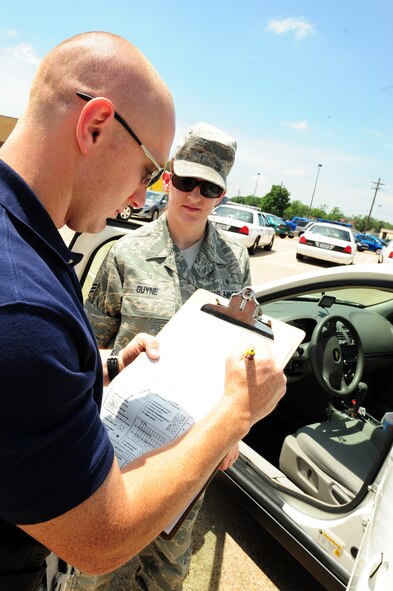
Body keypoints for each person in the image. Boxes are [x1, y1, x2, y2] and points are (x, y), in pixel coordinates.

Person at [0, 31, 286, 591]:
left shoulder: (30, 245)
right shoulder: (26, 306)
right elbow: (99, 539)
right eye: (152, 171)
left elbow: (35, 383)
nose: (141, 197)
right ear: (95, 125)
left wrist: (103, 367)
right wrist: (234, 416)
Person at [71, 122, 251, 591]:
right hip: (122, 433)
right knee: (95, 563)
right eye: (186, 181)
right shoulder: (125, 252)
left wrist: (233, 430)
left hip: (194, 436)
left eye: (208, 187)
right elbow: (90, 350)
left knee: (170, 563)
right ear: (167, 179)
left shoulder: (236, 261)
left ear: (221, 196)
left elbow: (241, 352)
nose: (194, 194)